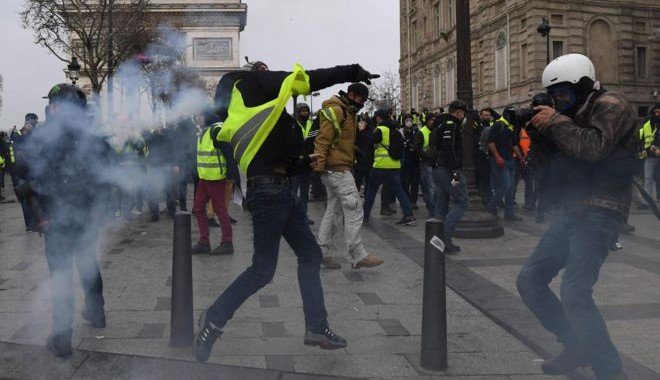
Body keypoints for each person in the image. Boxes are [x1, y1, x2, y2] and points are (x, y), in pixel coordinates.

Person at [192, 61, 379, 362]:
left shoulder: (263, 118)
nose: (267, 74)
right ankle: (213, 320)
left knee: (310, 256)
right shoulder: (249, 86)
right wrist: (352, 71)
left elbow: (281, 163)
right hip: (269, 194)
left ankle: (317, 327)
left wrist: (306, 163)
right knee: (263, 270)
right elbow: (307, 78)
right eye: (261, 70)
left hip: (282, 192)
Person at [516, 53, 638, 380]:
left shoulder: (613, 105)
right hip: (573, 208)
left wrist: (554, 121)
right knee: (529, 280)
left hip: (602, 209)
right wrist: (539, 131)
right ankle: (575, 344)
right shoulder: (571, 116)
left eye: (565, 96)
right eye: (555, 97)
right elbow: (548, 165)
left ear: (584, 86)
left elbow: (593, 148)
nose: (560, 103)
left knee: (575, 293)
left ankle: (611, 373)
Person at [15, 84, 111, 357]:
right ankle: (97, 312)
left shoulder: (48, 135)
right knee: (87, 261)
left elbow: (23, 169)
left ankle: (62, 336)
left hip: (56, 216)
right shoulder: (93, 135)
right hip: (87, 215)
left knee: (61, 273)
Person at [314, 83, 384, 270]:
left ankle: (319, 252)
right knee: (354, 209)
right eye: (360, 100)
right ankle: (358, 254)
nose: (361, 104)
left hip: (337, 166)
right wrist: (319, 166)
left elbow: (339, 141)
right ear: (351, 94)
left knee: (333, 211)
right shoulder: (338, 110)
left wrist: (353, 151)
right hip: (337, 170)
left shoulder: (347, 111)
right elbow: (323, 139)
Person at [362, 109, 416, 226]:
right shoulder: (397, 130)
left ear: (379, 118)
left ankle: (365, 216)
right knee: (399, 191)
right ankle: (409, 215)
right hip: (394, 166)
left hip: (380, 165)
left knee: (371, 191)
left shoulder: (380, 129)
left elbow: (369, 142)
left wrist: (363, 131)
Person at [429, 100, 469, 253]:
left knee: (442, 205)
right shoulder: (451, 125)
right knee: (462, 202)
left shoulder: (440, 124)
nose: (463, 116)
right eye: (463, 113)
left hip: (439, 169)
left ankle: (437, 241)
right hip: (448, 170)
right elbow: (449, 147)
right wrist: (456, 169)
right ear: (458, 112)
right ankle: (445, 238)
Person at [190, 121, 235, 255]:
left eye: (200, 114)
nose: (197, 117)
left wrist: (230, 174)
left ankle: (227, 242)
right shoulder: (202, 132)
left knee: (220, 210)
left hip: (216, 178)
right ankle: (204, 242)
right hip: (205, 178)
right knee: (198, 208)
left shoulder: (215, 130)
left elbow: (228, 151)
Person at [486, 106, 524, 221]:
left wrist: (521, 157)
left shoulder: (510, 127)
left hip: (510, 160)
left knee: (511, 187)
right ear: (508, 115)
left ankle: (509, 213)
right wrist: (497, 156)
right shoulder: (498, 125)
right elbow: (490, 142)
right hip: (500, 161)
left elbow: (514, 144)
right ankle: (491, 207)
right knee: (505, 185)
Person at [290, 102, 315, 224]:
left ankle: (304, 216)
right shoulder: (292, 125)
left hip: (307, 163)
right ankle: (292, 216)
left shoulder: (311, 124)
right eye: (302, 111)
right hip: (295, 163)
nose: (305, 113)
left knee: (305, 193)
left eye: (306, 111)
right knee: (293, 192)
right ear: (297, 112)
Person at [414, 113, 437, 215]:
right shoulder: (422, 132)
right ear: (427, 121)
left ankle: (433, 207)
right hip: (426, 162)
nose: (432, 122)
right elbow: (417, 148)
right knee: (429, 187)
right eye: (431, 120)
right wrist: (427, 155)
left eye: (434, 120)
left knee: (432, 187)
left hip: (435, 162)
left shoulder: (436, 131)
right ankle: (433, 209)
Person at [639, 104, 659, 201]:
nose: (657, 114)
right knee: (647, 178)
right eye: (656, 112)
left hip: (653, 152)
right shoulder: (647, 123)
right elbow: (642, 137)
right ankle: (647, 199)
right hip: (650, 153)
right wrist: (642, 149)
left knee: (649, 178)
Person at [401, 115, 422, 210]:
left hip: (415, 160)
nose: (409, 121)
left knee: (415, 182)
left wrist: (414, 146)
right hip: (405, 160)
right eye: (407, 120)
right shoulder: (401, 131)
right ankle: (407, 199)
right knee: (405, 182)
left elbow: (419, 143)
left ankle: (413, 201)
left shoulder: (417, 131)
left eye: (410, 120)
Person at [475, 108, 494, 204]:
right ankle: (485, 198)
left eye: (489, 115)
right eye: (485, 115)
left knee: (488, 179)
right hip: (480, 155)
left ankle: (488, 198)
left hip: (489, 155)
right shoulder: (478, 126)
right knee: (483, 179)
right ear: (481, 116)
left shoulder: (491, 124)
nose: (488, 117)